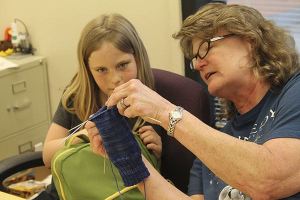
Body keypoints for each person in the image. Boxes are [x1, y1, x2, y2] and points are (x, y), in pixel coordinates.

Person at [86, 3, 300, 200]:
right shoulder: (212, 145)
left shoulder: (294, 93)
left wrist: (164, 111)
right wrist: (128, 158)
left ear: (250, 41)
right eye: (194, 58)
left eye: (206, 47)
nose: (198, 65)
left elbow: (271, 178)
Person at [40, 13, 162, 199]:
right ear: (88, 70)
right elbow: (47, 156)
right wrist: (83, 137)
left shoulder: (152, 103)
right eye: (101, 70)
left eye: (122, 65)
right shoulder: (76, 97)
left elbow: (155, 182)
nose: (115, 79)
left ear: (137, 58)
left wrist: (158, 152)